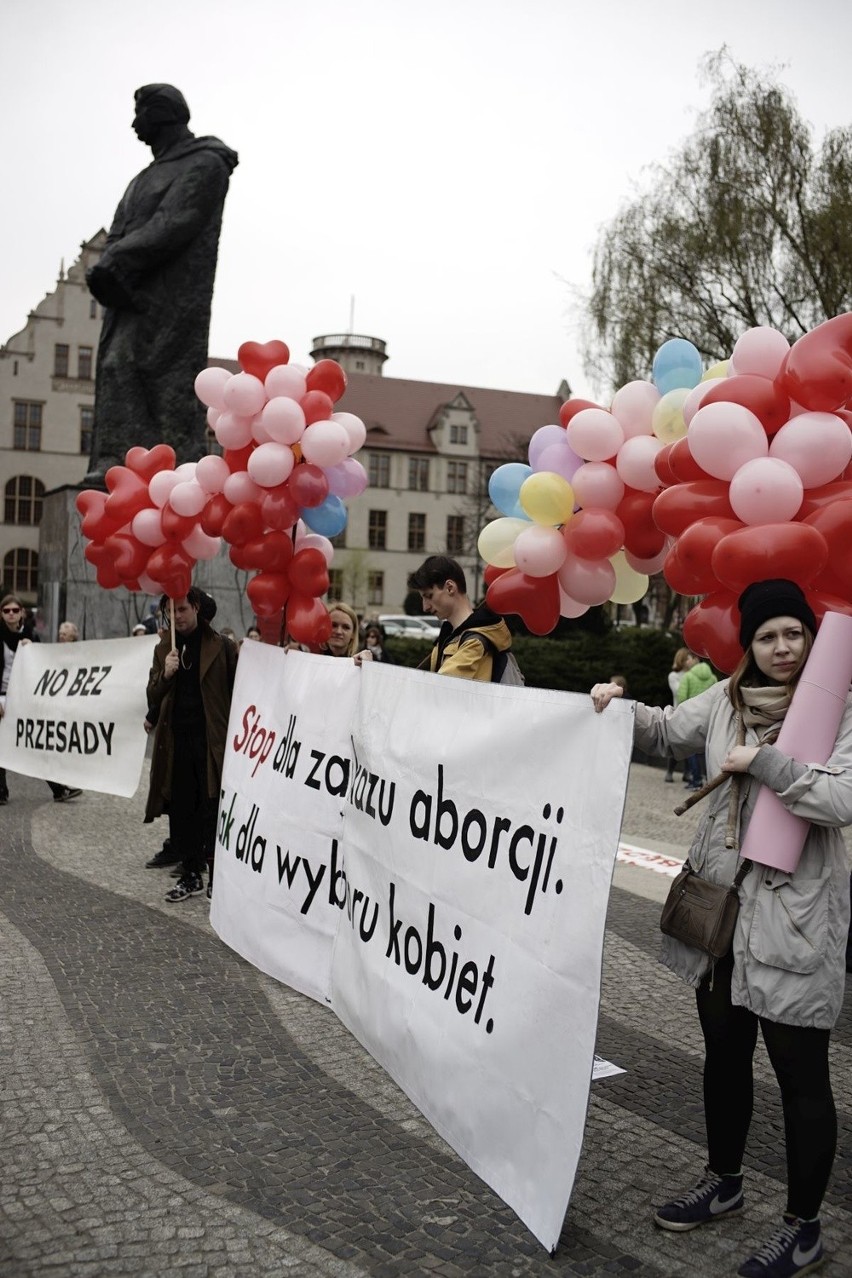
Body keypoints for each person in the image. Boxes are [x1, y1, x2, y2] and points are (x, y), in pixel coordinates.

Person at [591, 579, 851, 1278]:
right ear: (750, 645)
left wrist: (766, 762)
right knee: (725, 1056)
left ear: (812, 637)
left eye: (794, 633)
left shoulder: (839, 706)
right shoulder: (726, 700)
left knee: (802, 1078)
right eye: (767, 636)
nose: (782, 647)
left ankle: (804, 1228)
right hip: (723, 915)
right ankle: (725, 1181)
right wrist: (614, 706)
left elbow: (842, 797)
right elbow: (663, 729)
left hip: (795, 921)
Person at [86, 84, 239, 472]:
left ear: (160, 115)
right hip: (128, 296)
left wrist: (118, 256)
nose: (134, 124)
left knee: (157, 378)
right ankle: (117, 463)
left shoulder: (205, 163)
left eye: (140, 114)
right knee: (115, 369)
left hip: (172, 299)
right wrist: (109, 264)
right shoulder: (143, 178)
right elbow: (122, 228)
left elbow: (176, 222)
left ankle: (163, 468)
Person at [144, 589, 237, 902]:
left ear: (196, 608)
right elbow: (152, 696)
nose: (177, 616)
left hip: (211, 741)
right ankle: (190, 873)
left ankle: (215, 874)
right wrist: (166, 675)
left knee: (211, 807)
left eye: (182, 609)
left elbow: (239, 690)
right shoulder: (163, 648)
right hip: (176, 741)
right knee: (182, 809)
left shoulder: (222, 646)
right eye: (172, 611)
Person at [0, 594, 82, 805]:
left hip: (26, 697)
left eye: (14, 610)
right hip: (2, 696)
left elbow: (42, 666)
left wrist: (33, 648)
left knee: (37, 742)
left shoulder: (31, 636)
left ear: (22, 613)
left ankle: (59, 789)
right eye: (6, 610)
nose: (11, 614)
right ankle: (1, 791)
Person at [404, 555, 511, 681]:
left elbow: (439, 687)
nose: (425, 607)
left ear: (450, 588)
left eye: (429, 596)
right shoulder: (450, 635)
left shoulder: (474, 642)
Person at [677, 651, 718, 790]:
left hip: (690, 717)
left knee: (692, 751)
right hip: (709, 718)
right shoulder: (712, 677)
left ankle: (696, 781)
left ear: (695, 659)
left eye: (688, 659)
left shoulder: (687, 677)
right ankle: (710, 780)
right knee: (707, 750)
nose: (686, 662)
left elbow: (681, 698)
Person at [664, 647, 691, 782]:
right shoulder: (673, 676)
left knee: (690, 743)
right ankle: (669, 771)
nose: (691, 661)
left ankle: (687, 773)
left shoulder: (693, 675)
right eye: (688, 658)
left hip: (691, 713)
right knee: (675, 743)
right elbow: (678, 692)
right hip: (678, 712)